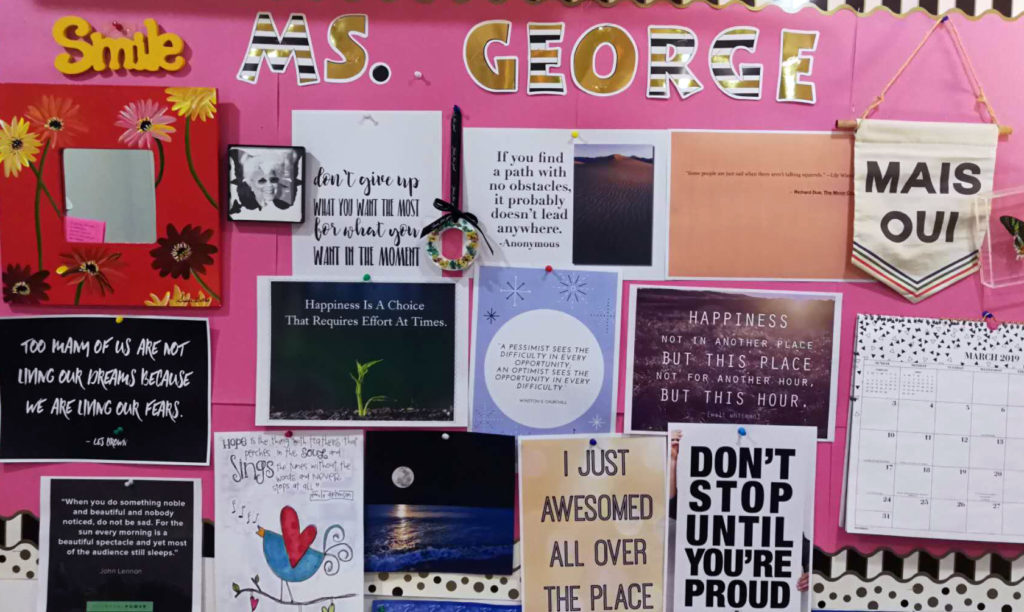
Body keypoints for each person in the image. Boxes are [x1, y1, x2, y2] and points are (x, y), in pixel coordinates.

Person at [667, 430, 810, 595]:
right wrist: (673, 460)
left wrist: (812, 573)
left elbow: (807, 553)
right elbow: (673, 507)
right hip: (714, 594)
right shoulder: (709, 509)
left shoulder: (776, 520)